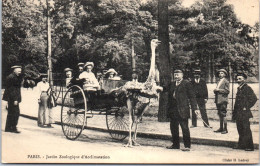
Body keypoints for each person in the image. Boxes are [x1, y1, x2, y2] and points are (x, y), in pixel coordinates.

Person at [167, 69, 199, 151]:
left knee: (184, 128)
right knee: (173, 128)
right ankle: (175, 144)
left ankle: (187, 146)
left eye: (178, 74)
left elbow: (192, 97)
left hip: (183, 109)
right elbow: (165, 89)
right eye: (175, 74)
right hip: (173, 110)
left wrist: (195, 108)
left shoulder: (186, 83)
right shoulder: (172, 84)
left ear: (182, 75)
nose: (176, 76)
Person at [232, 73, 257, 151]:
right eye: (237, 79)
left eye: (240, 79)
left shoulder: (247, 88)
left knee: (246, 129)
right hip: (238, 112)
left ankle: (250, 146)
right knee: (240, 128)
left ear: (244, 79)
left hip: (244, 113)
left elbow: (254, 99)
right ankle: (241, 145)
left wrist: (246, 107)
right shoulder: (239, 88)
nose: (238, 80)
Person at [3, 65, 23, 133]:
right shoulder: (12, 77)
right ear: (14, 70)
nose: (20, 72)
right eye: (19, 71)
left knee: (11, 112)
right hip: (13, 98)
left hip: (11, 98)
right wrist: (15, 99)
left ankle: (8, 128)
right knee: (15, 113)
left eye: (20, 71)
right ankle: (13, 128)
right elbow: (12, 89)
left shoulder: (13, 76)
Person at [214, 69, 230, 134]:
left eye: (222, 73)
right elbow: (217, 90)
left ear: (225, 74)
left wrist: (218, 90)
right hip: (218, 100)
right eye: (219, 73)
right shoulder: (218, 81)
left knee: (223, 114)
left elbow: (227, 91)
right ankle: (221, 128)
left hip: (223, 100)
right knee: (220, 114)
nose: (220, 74)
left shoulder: (226, 81)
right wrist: (215, 90)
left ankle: (225, 129)